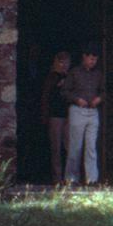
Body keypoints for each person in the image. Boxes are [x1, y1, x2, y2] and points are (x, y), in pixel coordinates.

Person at [63, 45, 103, 186]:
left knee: (91, 146)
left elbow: (104, 91)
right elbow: (65, 91)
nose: (93, 62)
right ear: (84, 57)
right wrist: (76, 99)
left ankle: (92, 178)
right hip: (77, 110)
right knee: (76, 146)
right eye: (91, 59)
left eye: (95, 60)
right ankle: (72, 178)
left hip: (93, 112)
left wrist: (99, 98)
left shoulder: (98, 74)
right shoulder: (74, 73)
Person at [39, 50, 72, 185]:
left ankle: (69, 177)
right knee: (56, 148)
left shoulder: (70, 77)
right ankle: (57, 178)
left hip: (69, 116)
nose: (64, 65)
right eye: (61, 62)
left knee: (69, 147)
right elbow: (46, 97)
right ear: (56, 63)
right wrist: (44, 115)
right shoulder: (51, 77)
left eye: (66, 62)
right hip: (55, 116)